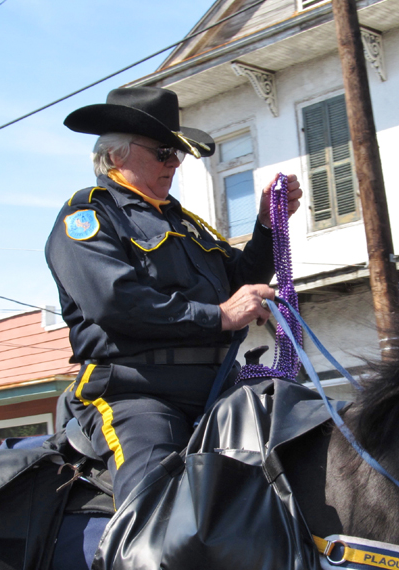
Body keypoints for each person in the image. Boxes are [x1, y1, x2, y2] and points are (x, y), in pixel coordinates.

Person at [45, 86, 301, 507]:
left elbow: (239, 280)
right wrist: (219, 316)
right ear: (116, 156)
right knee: (156, 509)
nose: (175, 163)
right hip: (135, 393)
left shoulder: (187, 224)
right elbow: (116, 304)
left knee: (304, 458)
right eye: (163, 152)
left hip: (219, 385)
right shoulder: (88, 216)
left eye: (177, 153)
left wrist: (267, 226)